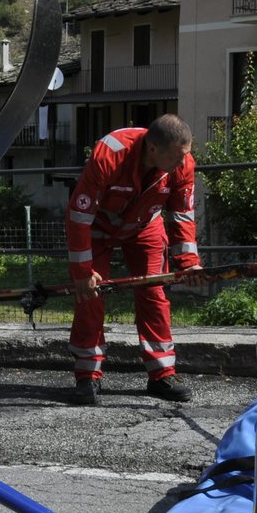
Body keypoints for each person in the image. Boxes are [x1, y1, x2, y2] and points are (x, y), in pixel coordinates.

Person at [65, 114, 202, 406]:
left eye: (185, 157)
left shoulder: (182, 165)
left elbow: (182, 216)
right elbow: (79, 217)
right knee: (90, 295)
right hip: (97, 229)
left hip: (144, 225)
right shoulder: (109, 154)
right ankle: (87, 376)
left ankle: (162, 375)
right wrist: (82, 271)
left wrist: (189, 263)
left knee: (154, 292)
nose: (183, 164)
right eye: (177, 157)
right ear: (153, 149)